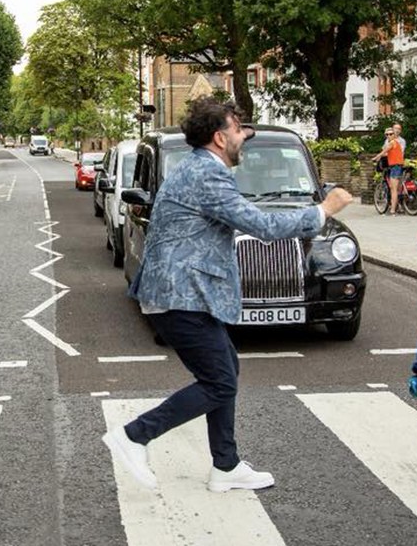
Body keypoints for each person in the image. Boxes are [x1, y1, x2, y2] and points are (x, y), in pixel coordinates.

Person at [102, 97, 354, 492]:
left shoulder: (199, 168)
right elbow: (261, 225)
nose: (243, 138)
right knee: (219, 382)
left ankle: (226, 465)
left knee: (225, 371)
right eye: (238, 130)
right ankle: (135, 435)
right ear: (220, 138)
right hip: (180, 295)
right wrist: (322, 211)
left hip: (185, 294)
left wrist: (246, 129)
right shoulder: (208, 175)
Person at [372, 129, 404, 215]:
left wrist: (376, 157)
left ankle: (393, 210)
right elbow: (387, 153)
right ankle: (396, 207)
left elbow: (384, 151)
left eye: (391, 134)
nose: (389, 136)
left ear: (394, 135)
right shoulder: (395, 144)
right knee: (395, 189)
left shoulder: (393, 142)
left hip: (395, 167)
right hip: (396, 166)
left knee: (393, 190)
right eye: (387, 134)